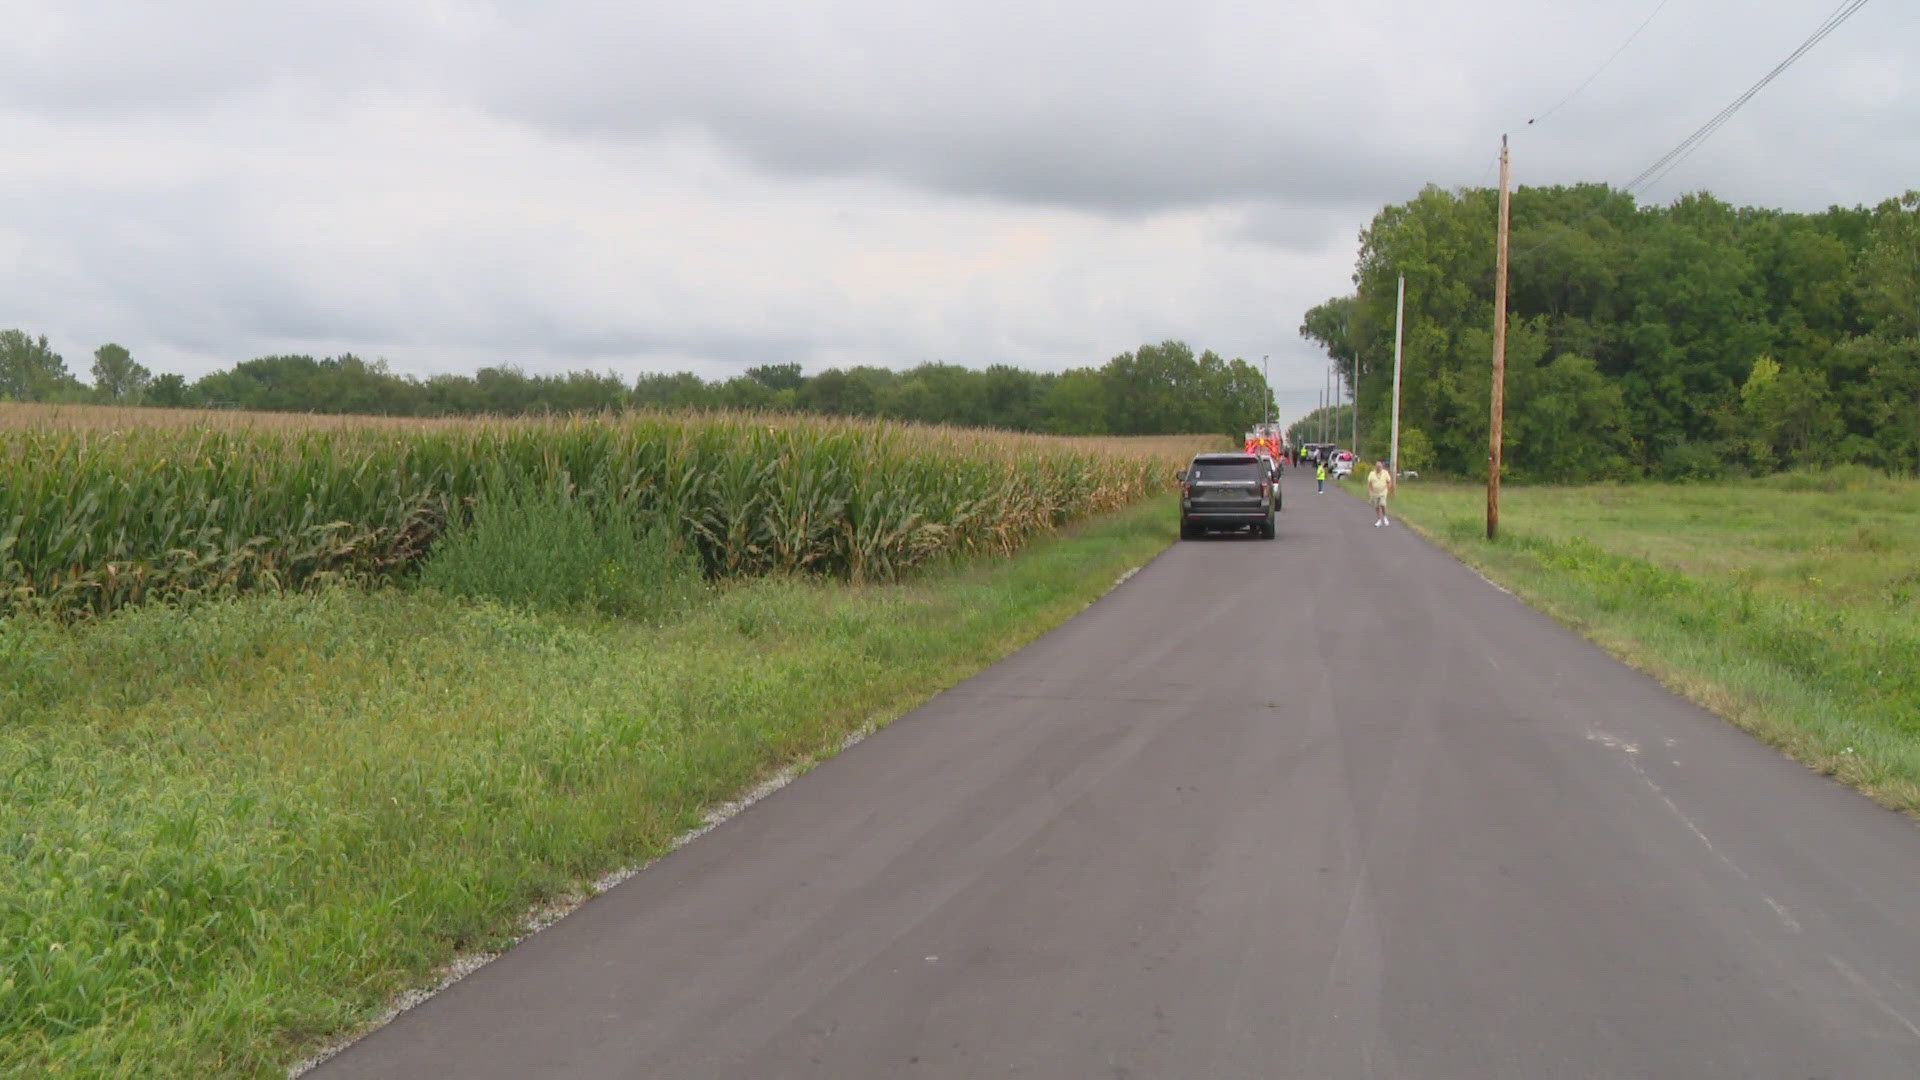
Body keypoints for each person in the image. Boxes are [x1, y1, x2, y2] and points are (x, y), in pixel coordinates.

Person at [1367, 460, 1395, 526]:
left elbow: (1389, 481)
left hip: (1383, 492)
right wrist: (1370, 492)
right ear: (1375, 467)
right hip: (1375, 492)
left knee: (1382, 504)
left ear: (1382, 467)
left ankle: (1385, 517)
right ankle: (1379, 520)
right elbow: (1370, 483)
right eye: (1377, 467)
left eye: (1380, 467)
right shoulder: (1372, 474)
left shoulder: (1385, 473)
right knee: (1377, 506)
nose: (1378, 468)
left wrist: (1388, 488)